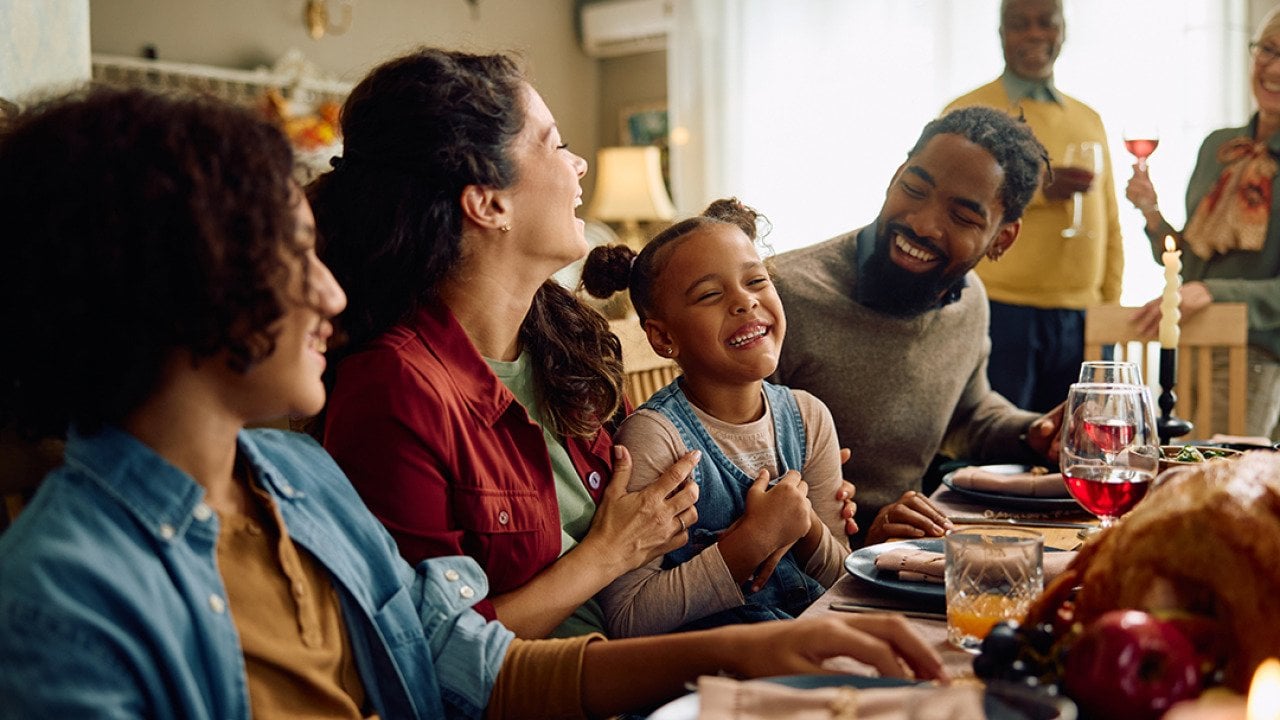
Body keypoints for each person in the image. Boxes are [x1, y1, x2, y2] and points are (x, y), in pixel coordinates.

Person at [0, 86, 947, 719]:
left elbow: (474, 663)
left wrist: (753, 656)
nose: (330, 294)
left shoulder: (293, 480)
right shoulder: (64, 595)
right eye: (289, 260)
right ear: (174, 287)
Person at [310, 49, 853, 640]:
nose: (580, 165)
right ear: (489, 203)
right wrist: (608, 554)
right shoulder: (393, 389)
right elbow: (431, 655)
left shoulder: (565, 343)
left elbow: (657, 512)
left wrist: (786, 504)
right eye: (555, 143)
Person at [771, 106, 1061, 548]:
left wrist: (1034, 433)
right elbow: (738, 483)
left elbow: (968, 414)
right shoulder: (781, 296)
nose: (923, 224)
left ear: (1002, 238)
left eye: (963, 217)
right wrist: (864, 537)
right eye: (914, 188)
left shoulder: (970, 299)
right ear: (894, 176)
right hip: (807, 570)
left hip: (906, 549)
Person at [581, 199, 849, 637]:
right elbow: (628, 618)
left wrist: (807, 526)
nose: (745, 301)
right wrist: (751, 543)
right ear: (664, 337)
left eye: (756, 281)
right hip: (706, 677)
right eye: (710, 295)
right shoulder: (655, 439)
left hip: (811, 651)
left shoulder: (809, 417)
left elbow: (843, 581)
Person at [943, 0, 1124, 414]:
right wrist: (1040, 189)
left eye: (1046, 23)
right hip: (999, 310)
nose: (1034, 34)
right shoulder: (967, 111)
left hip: (1083, 316)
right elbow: (951, 204)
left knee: (1080, 449)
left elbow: (1110, 220)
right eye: (1019, 25)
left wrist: (1107, 308)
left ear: (1063, 30)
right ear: (1001, 33)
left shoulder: (1089, 118)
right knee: (997, 450)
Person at [1124, 7, 1280, 439]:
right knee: (1177, 473)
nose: (1274, 68)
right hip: (1190, 346)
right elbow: (1189, 266)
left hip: (1257, 357)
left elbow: (1203, 286)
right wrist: (1152, 214)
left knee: (1219, 484)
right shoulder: (1218, 147)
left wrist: (1212, 292)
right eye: (1267, 50)